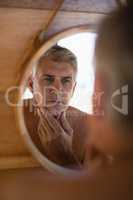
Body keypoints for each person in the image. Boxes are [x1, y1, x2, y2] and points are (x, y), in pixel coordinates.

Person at [23, 45, 90, 168]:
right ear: (31, 85)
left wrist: (64, 156)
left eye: (65, 81)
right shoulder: (6, 116)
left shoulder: (91, 127)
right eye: (48, 79)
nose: (58, 89)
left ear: (73, 89)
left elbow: (100, 187)